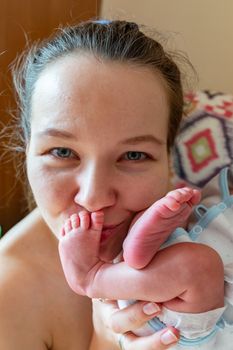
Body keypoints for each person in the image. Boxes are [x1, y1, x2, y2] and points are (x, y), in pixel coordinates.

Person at [0, 19, 226, 350]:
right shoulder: (8, 300)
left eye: (133, 155)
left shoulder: (208, 230)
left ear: (168, 156)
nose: (94, 197)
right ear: (26, 148)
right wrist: (105, 342)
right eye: (63, 152)